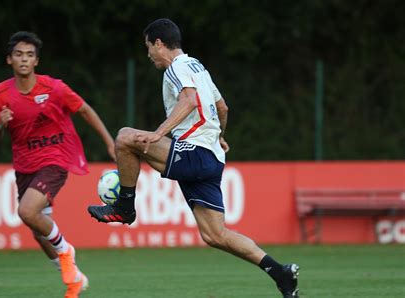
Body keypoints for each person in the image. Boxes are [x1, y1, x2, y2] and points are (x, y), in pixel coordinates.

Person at [88, 19, 300, 297]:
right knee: (215, 235)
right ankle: (281, 273)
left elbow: (188, 100)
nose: (148, 54)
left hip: (195, 153)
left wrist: (158, 132)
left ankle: (125, 206)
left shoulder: (176, 67)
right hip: (211, 158)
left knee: (125, 137)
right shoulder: (198, 67)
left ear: (159, 43)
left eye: (148, 47)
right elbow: (223, 107)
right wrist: (221, 136)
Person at [0, 31, 116, 298]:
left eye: (30, 55)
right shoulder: (0, 92)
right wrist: (0, 123)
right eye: (19, 54)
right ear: (9, 60)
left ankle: (67, 251)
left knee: (26, 211)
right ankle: (73, 276)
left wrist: (109, 142)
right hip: (24, 165)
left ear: (36, 61)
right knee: (37, 231)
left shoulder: (54, 88)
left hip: (55, 159)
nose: (24, 59)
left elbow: (84, 109)